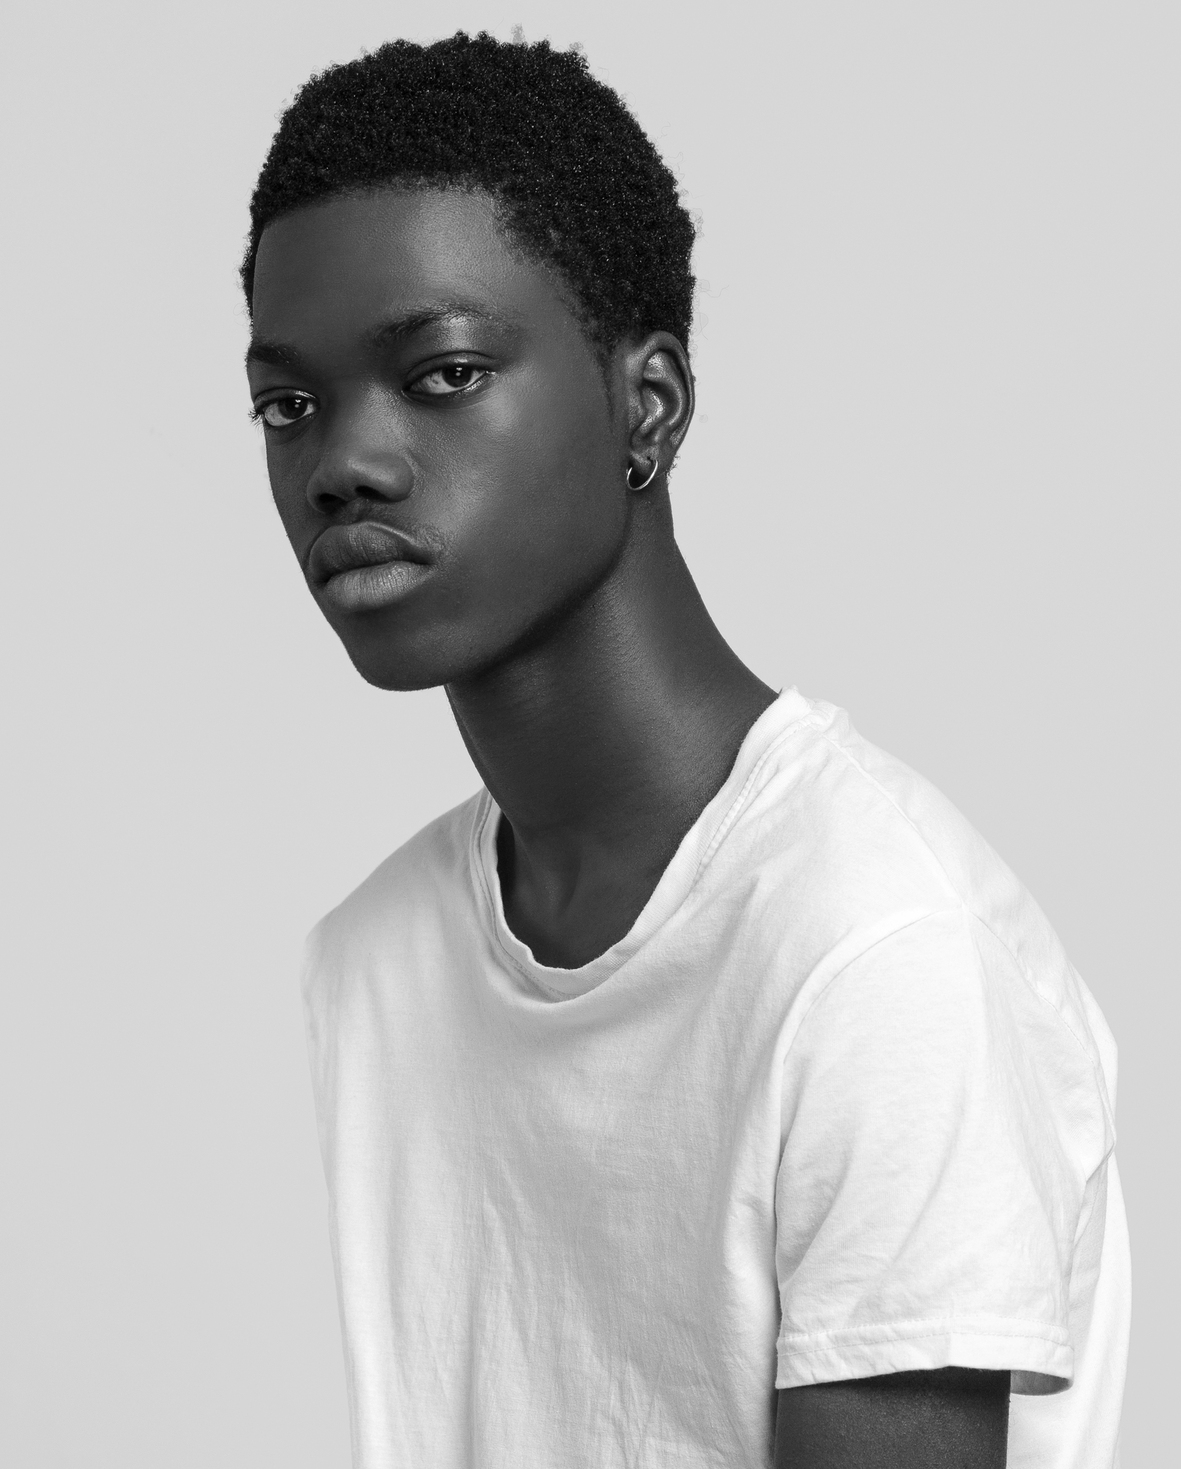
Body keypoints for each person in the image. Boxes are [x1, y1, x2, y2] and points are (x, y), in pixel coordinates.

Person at [242, 32, 1129, 1469]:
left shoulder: (872, 955)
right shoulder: (375, 961)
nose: (344, 461)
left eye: (444, 373)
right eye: (289, 405)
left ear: (646, 403)